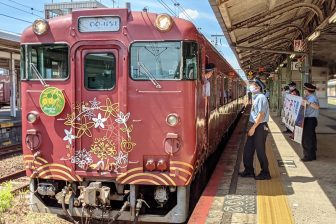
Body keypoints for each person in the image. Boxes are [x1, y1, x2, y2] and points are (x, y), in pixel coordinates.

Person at [239, 78, 271, 180]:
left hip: (260, 127)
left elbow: (261, 115)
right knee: (248, 149)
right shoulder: (256, 97)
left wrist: (253, 128)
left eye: (253, 85)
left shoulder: (261, 97)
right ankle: (249, 170)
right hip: (255, 125)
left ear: (258, 87)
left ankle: (265, 173)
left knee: (260, 150)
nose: (251, 86)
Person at [301, 83, 320, 162]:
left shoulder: (312, 97)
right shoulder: (307, 97)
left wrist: (308, 102)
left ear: (307, 90)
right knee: (311, 138)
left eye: (305, 89)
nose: (304, 90)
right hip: (307, 119)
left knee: (307, 138)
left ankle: (308, 156)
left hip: (310, 120)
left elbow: (317, 107)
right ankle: (312, 155)